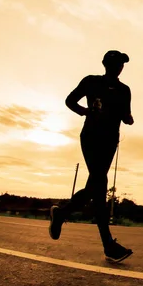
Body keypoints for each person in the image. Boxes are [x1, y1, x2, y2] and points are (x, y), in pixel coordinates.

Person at [49, 50, 134, 263]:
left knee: (95, 189)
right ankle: (108, 246)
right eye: (115, 63)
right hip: (91, 137)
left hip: (110, 141)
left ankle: (61, 214)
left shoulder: (125, 90)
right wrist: (84, 112)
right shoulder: (91, 81)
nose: (119, 67)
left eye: (121, 64)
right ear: (105, 63)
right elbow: (70, 100)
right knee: (99, 184)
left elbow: (127, 115)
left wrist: (128, 118)